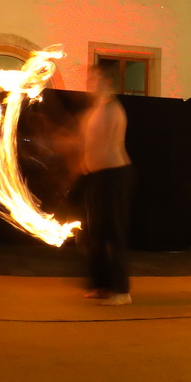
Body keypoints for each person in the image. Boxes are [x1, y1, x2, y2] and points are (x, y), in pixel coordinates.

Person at [76, 63, 134, 305]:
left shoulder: (112, 110)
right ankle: (101, 284)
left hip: (114, 176)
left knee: (113, 232)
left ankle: (122, 291)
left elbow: (101, 146)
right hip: (98, 177)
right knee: (96, 233)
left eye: (95, 78)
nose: (90, 83)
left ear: (108, 82)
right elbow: (85, 143)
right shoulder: (96, 109)